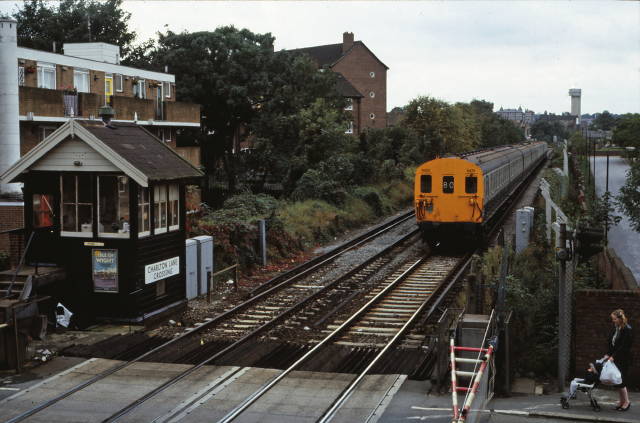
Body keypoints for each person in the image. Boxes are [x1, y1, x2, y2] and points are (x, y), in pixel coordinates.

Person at [604, 309, 633, 411]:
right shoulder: (616, 328)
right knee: (617, 381)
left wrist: (614, 356)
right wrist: (608, 354)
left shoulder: (627, 329)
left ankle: (626, 402)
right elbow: (612, 343)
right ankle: (621, 401)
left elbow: (624, 347)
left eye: (614, 319)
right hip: (615, 358)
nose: (613, 321)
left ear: (620, 319)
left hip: (622, 359)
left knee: (621, 381)